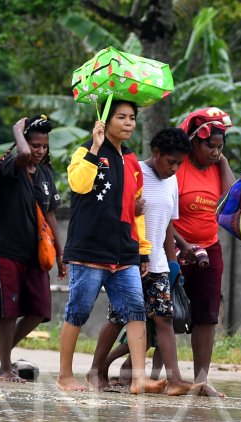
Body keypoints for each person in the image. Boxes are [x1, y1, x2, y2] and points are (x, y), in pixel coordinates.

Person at [58, 101, 162, 394]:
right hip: (90, 250)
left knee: (135, 311)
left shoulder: (131, 161)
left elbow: (135, 212)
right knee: (78, 310)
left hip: (124, 252)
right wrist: (95, 146)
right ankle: (65, 376)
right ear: (105, 120)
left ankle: (139, 378)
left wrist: (142, 251)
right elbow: (79, 185)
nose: (129, 123)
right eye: (121, 117)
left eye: (132, 118)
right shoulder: (85, 152)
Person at [91, 127, 198, 395]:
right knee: (118, 319)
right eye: (171, 162)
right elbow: (116, 211)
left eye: (179, 164)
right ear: (156, 153)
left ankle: (174, 379)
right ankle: (96, 369)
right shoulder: (134, 171)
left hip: (159, 262)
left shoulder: (172, 181)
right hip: (129, 260)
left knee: (164, 318)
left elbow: (168, 226)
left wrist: (173, 265)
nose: (174, 169)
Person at [0, 116, 64, 382]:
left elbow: (50, 215)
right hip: (3, 249)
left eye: (44, 146)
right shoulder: (10, 166)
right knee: (8, 311)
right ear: (23, 143)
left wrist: (61, 254)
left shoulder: (45, 174)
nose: (39, 151)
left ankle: (2, 351)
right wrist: (16, 129)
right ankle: (4, 368)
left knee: (40, 309)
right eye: (34, 145)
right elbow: (24, 154)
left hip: (35, 253)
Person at [174, 107, 235, 398]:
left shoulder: (216, 166)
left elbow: (232, 197)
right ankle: (143, 371)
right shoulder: (179, 165)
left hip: (209, 248)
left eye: (220, 147)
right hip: (174, 246)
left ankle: (201, 379)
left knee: (207, 315)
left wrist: (220, 159)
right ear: (193, 142)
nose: (214, 152)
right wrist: (181, 246)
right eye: (210, 145)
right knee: (163, 311)